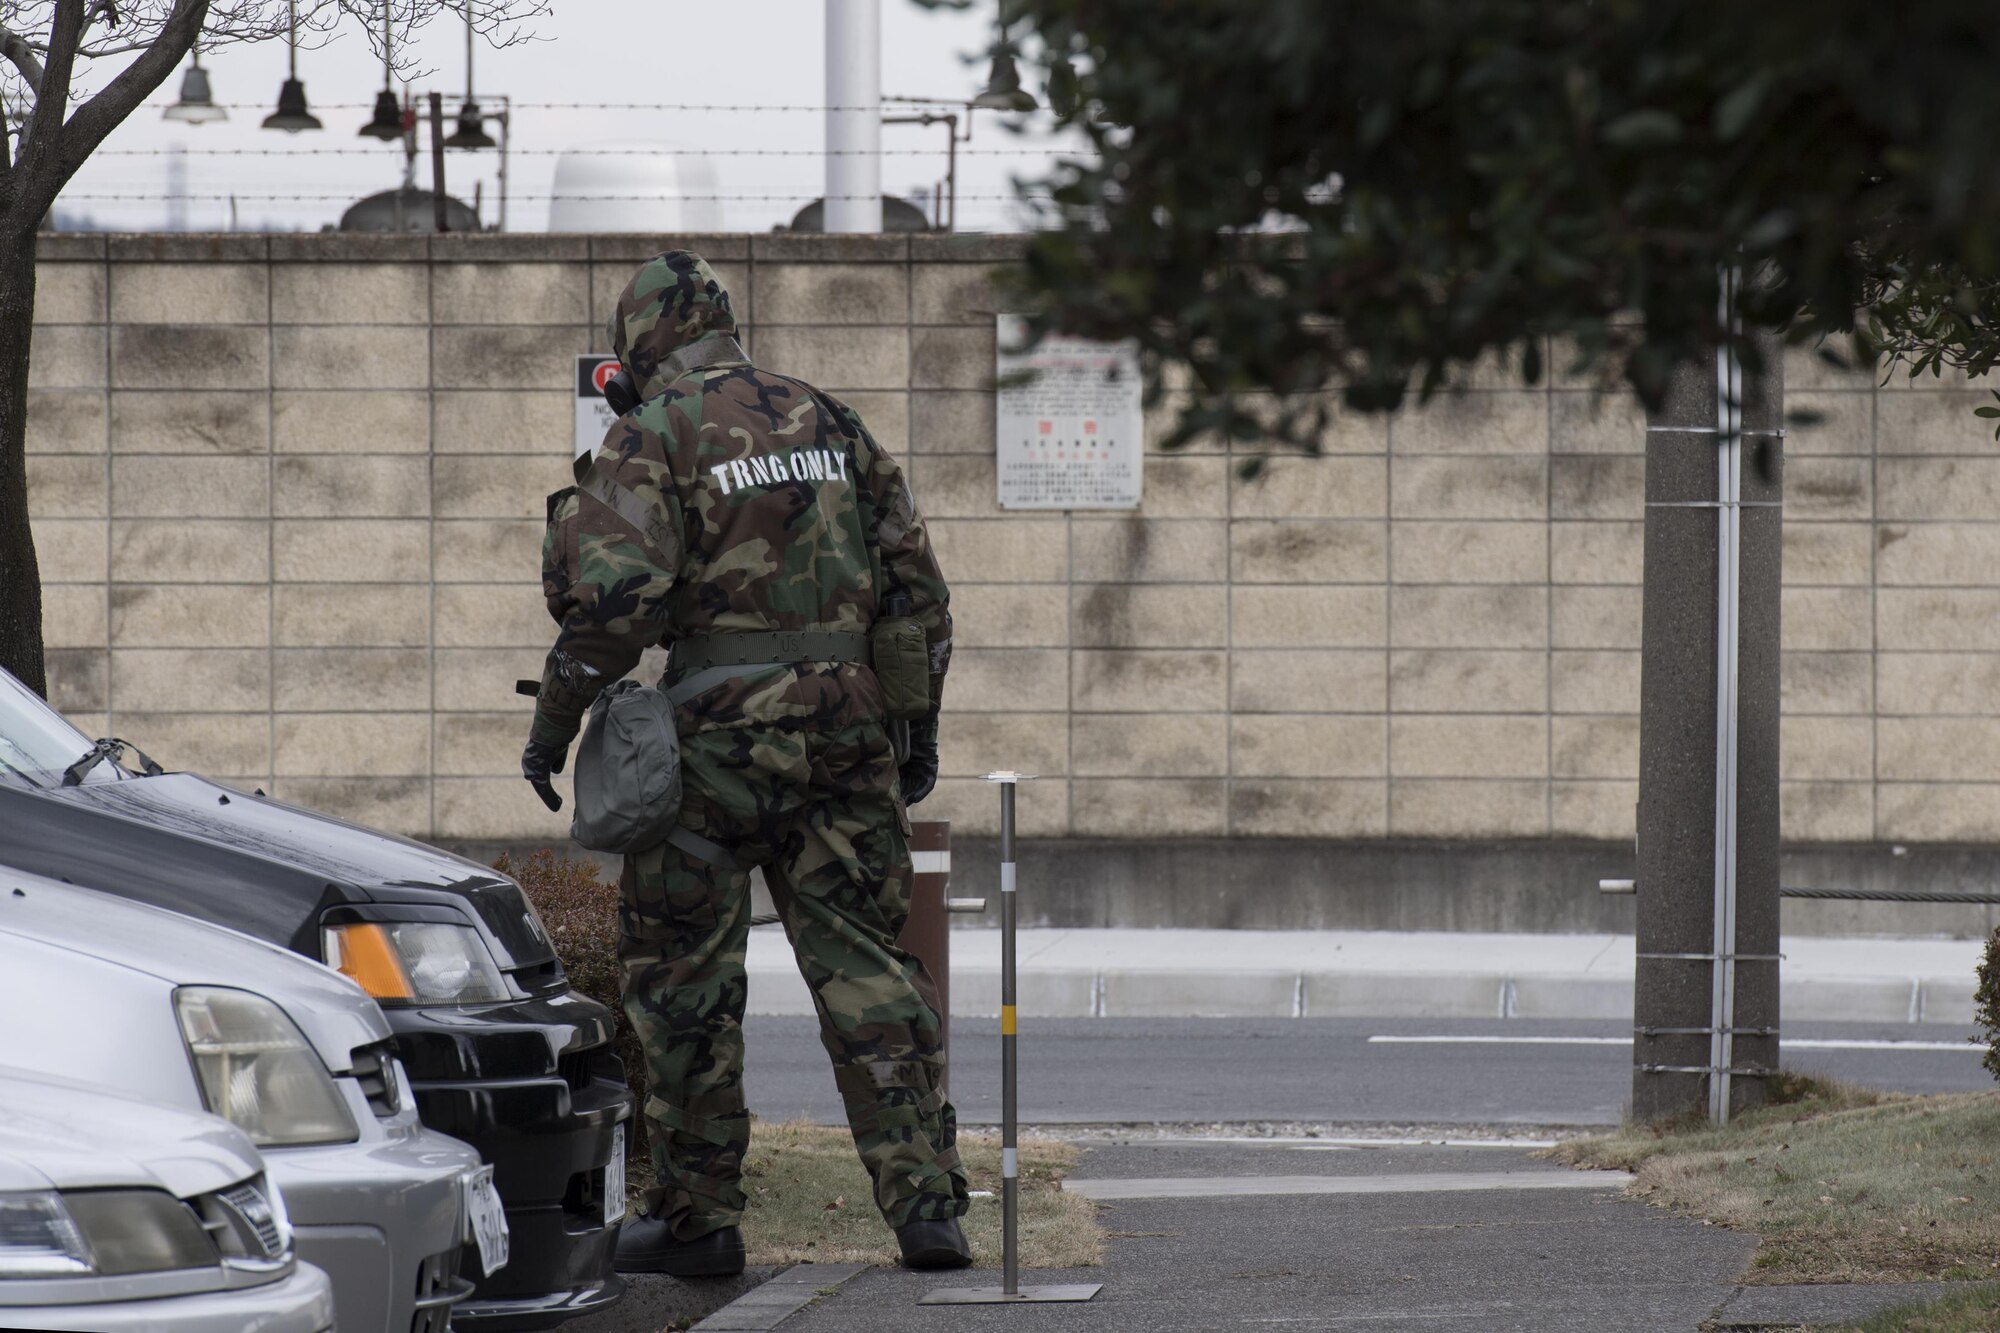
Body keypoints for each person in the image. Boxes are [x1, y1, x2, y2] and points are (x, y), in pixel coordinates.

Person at [522, 251, 967, 1277]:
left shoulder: (653, 433)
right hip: (846, 732)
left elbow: (611, 611)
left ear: (639, 346)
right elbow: (918, 596)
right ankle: (926, 1207)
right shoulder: (830, 420)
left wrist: (552, 730)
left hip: (711, 750)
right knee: (867, 965)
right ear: (725, 323)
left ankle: (698, 1221)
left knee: (683, 982)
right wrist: (915, 729)